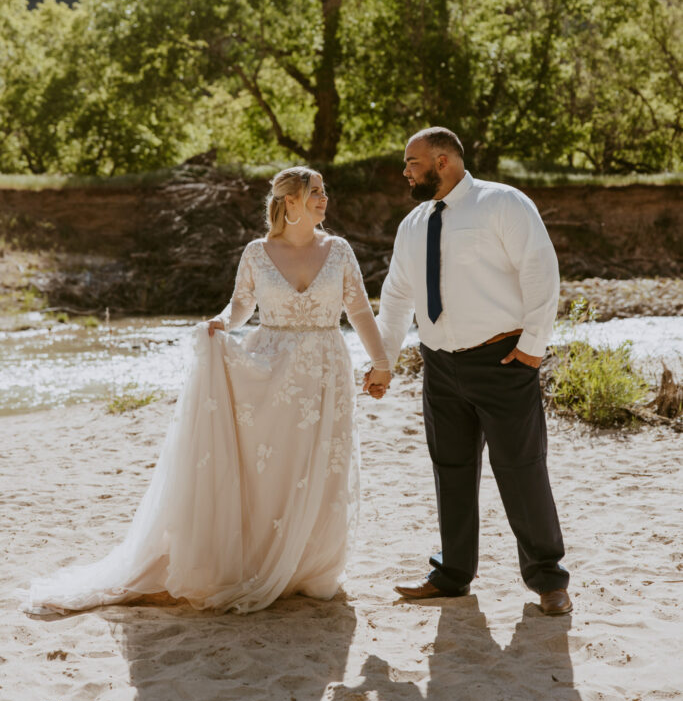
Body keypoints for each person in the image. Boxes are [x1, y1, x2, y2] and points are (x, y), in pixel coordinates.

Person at [24, 167, 391, 616]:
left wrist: (381, 362)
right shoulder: (258, 252)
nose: (324, 198)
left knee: (320, 466)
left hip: (327, 371)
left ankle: (309, 567)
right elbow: (240, 305)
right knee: (273, 468)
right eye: (315, 192)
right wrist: (222, 322)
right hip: (270, 369)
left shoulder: (339, 251)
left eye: (324, 191)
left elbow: (358, 310)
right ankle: (265, 561)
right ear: (290, 201)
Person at [376, 127, 571, 616]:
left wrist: (532, 347)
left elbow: (540, 270)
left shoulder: (502, 202)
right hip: (438, 365)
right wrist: (384, 359)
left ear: (443, 161)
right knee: (452, 471)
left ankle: (548, 579)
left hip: (501, 361)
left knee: (521, 469)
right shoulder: (413, 224)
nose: (405, 171)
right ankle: (453, 574)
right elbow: (398, 296)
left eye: (412, 162)